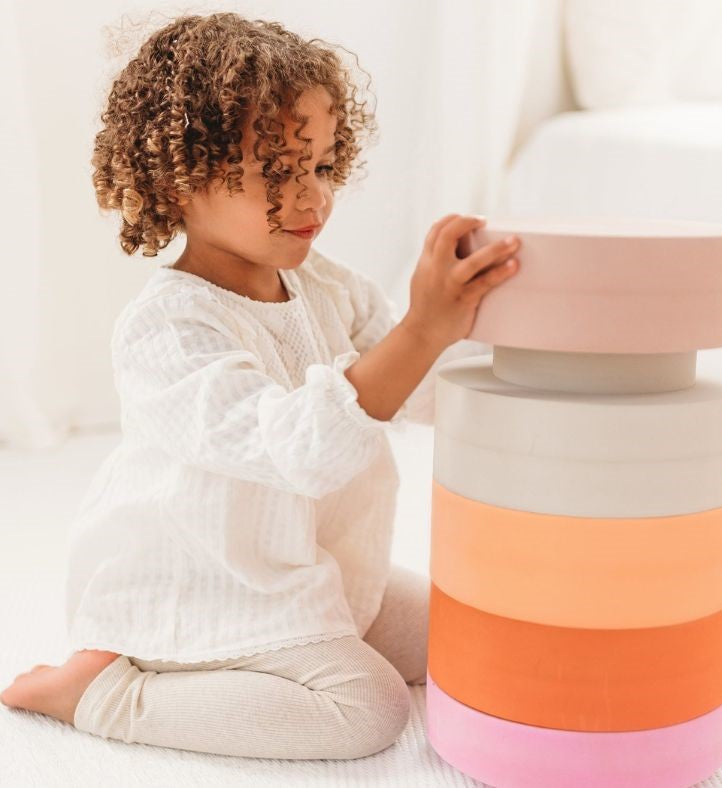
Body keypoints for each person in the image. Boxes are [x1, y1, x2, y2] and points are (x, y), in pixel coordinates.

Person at [0, 12, 521, 760]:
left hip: (311, 565)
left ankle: (316, 630)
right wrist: (423, 329)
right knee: (367, 710)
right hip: (209, 581)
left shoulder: (322, 285)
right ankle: (106, 691)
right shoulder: (168, 330)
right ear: (176, 181)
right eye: (277, 172)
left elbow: (416, 386)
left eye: (321, 166)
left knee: (467, 632)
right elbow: (303, 449)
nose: (312, 199)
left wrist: (495, 345)